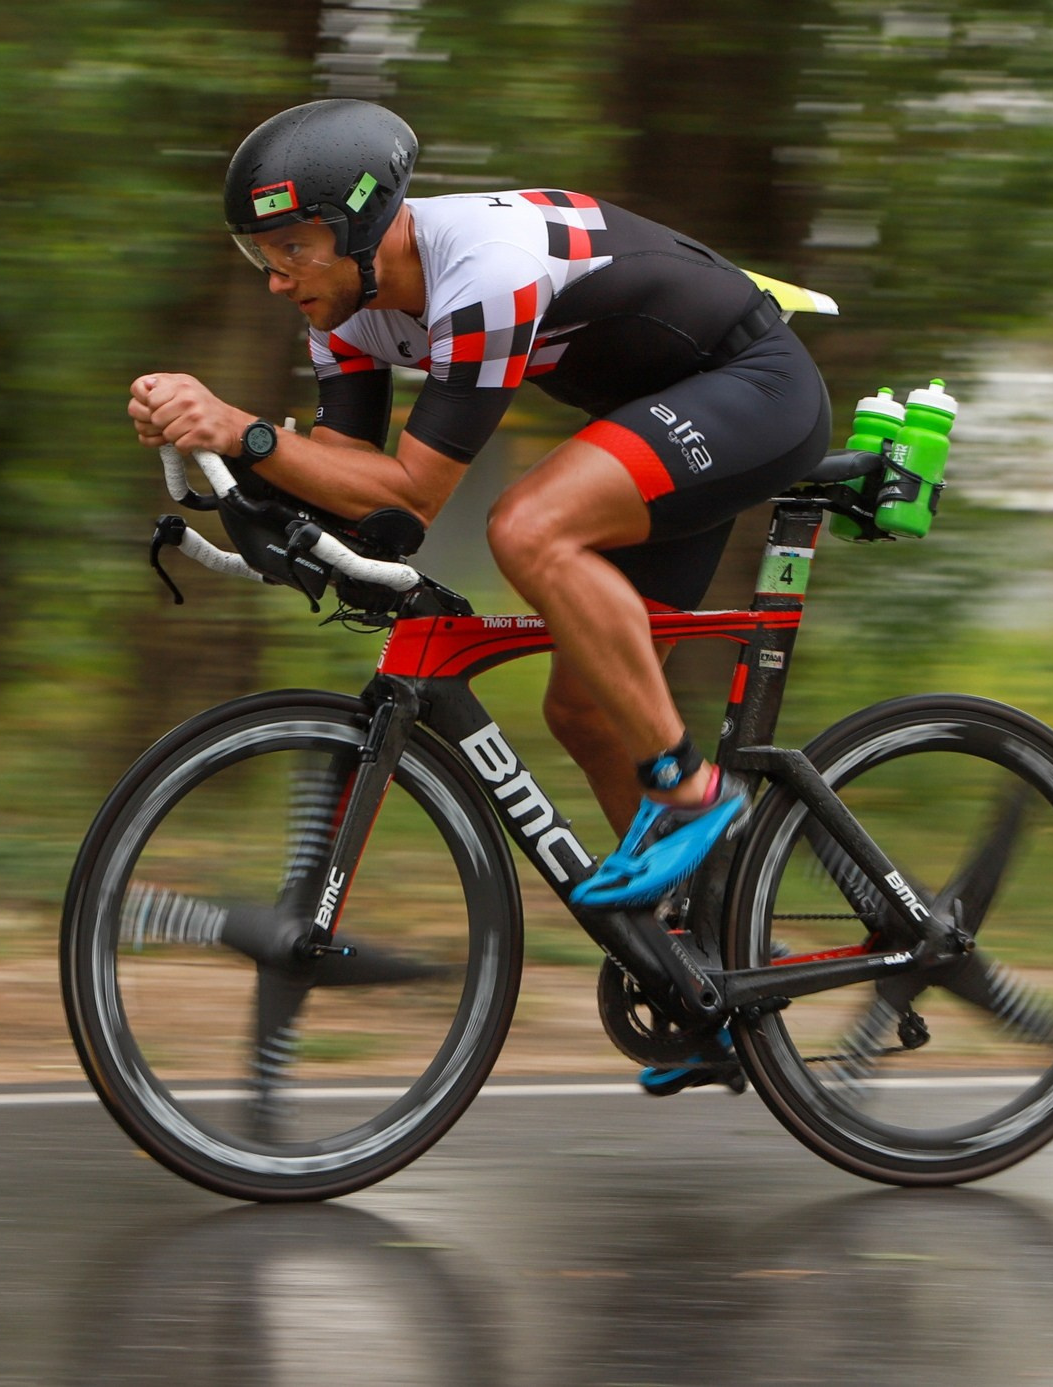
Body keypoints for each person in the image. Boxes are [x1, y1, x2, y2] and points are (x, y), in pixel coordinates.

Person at [128, 99, 831, 1076]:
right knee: (586, 710)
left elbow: (413, 493)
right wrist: (244, 483)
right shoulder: (346, 309)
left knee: (526, 526)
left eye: (291, 248)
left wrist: (241, 431)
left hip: (753, 389)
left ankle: (692, 791)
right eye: (259, 257)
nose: (277, 277)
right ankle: (703, 973)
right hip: (656, 420)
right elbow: (344, 469)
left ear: (363, 226)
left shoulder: (482, 272)